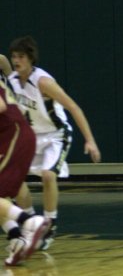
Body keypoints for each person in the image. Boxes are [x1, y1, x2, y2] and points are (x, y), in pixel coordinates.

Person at [8, 36, 101, 249]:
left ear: (31, 58)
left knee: (49, 175)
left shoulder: (43, 82)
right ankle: (31, 223)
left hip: (55, 135)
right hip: (30, 136)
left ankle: (49, 224)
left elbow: (74, 108)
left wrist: (90, 141)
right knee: (14, 180)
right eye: (14, 56)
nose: (16, 60)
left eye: (21, 56)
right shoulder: (12, 81)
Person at [0, 67, 50, 265]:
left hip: (14, 135)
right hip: (15, 136)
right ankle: (16, 239)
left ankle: (29, 221)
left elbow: (1, 107)